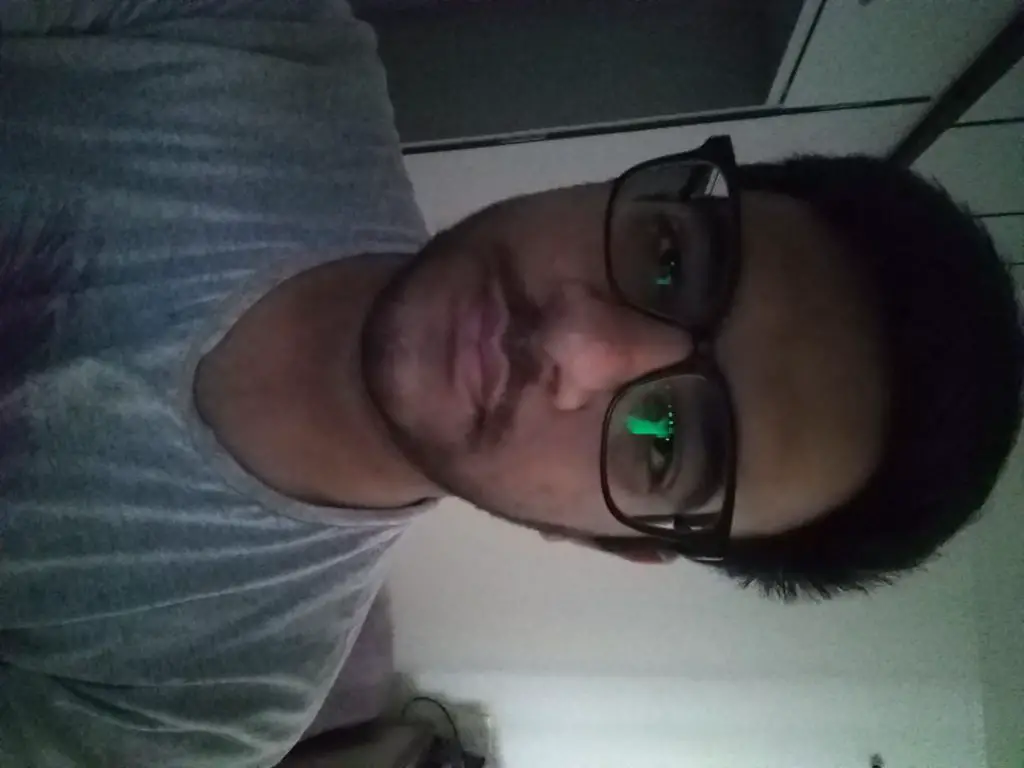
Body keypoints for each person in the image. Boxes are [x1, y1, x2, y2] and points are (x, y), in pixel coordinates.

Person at [1, 2, 1021, 766]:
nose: (577, 344)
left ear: (612, 540)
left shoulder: (206, 708)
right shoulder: (259, 39)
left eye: (665, 441)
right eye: (671, 261)